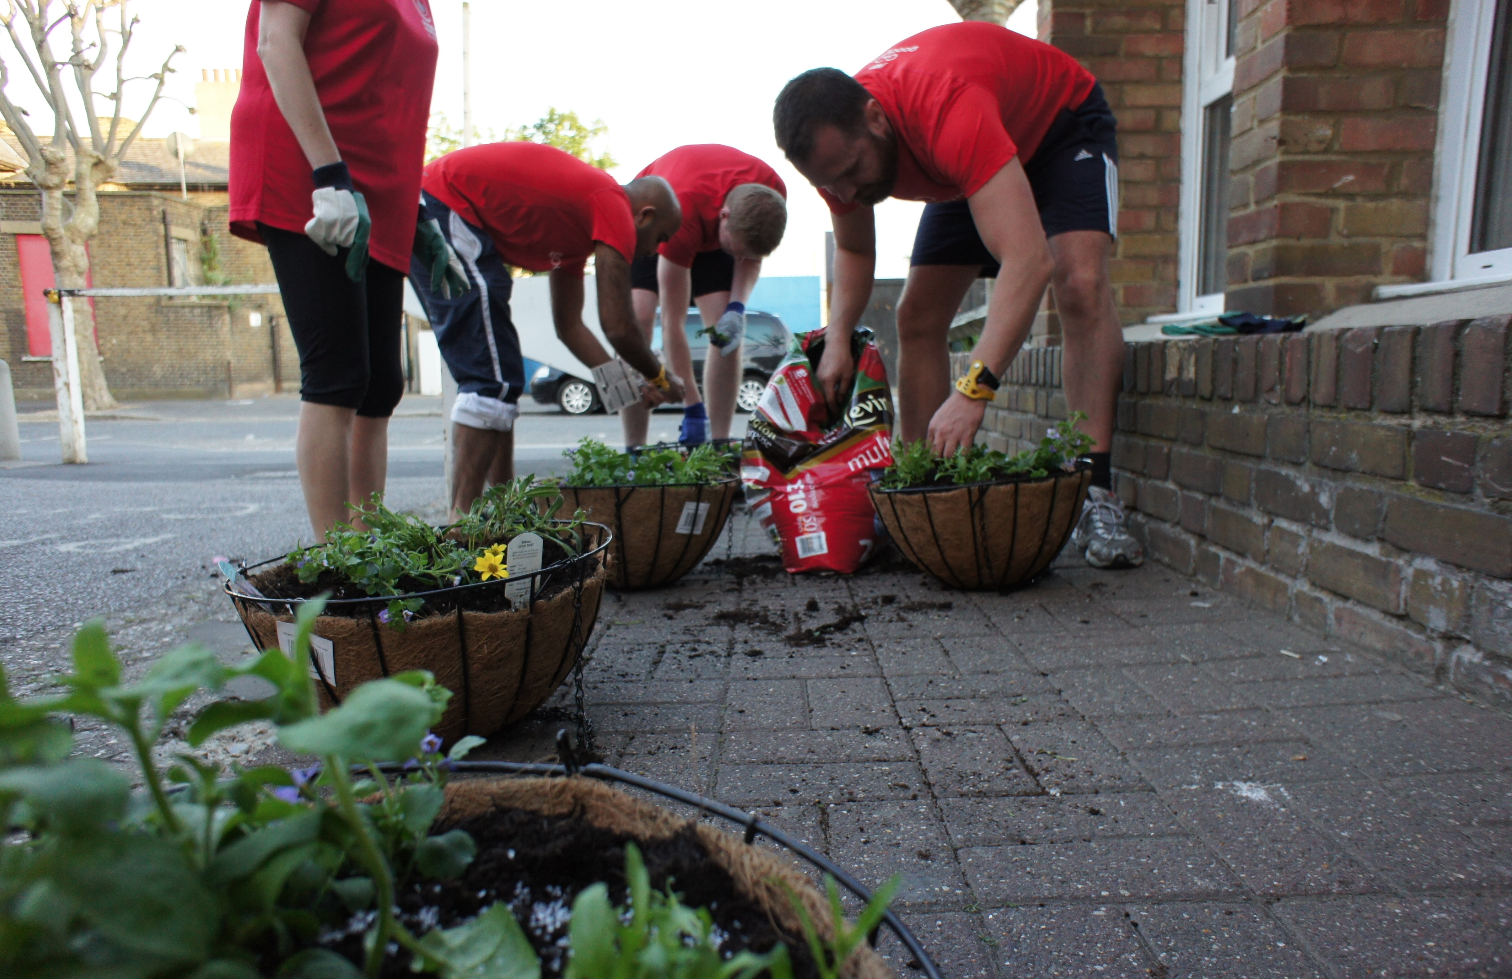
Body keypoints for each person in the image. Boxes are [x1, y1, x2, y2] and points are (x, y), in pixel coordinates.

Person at [772, 21, 1142, 569]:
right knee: (917, 316)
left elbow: (1028, 261)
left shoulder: (945, 108)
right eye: (831, 185)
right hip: (971, 159)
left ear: (877, 118)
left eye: (851, 172)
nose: (847, 194)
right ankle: (919, 495)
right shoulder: (839, 159)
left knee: (1078, 283)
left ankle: (1097, 490)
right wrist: (837, 339)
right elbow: (853, 252)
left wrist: (974, 391)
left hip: (1060, 129)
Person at [230, 0, 439, 541]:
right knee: (339, 375)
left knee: (381, 386)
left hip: (381, 191)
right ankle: (338, 563)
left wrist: (416, 210)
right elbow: (275, 41)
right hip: (313, 167)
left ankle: (368, 544)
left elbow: (386, 92)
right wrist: (328, 173)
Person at [411, 141, 687, 517]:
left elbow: (569, 327)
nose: (655, 252)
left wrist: (629, 389)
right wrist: (660, 376)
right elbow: (619, 326)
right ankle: (461, 524)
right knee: (491, 379)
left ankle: (506, 510)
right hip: (445, 204)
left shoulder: (577, 233)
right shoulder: (614, 206)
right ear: (645, 215)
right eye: (661, 238)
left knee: (501, 376)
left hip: (446, 209)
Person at [625, 145, 788, 446]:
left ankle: (720, 443)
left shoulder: (769, 194)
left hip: (714, 224)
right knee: (638, 320)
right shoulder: (678, 216)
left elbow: (749, 255)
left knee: (726, 332)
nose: (738, 258)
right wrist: (692, 406)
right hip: (657, 218)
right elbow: (672, 323)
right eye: (734, 251)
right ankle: (634, 448)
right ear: (723, 217)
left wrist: (737, 309)